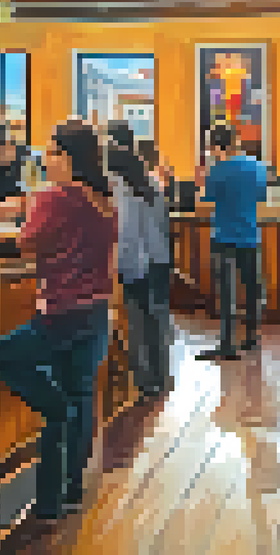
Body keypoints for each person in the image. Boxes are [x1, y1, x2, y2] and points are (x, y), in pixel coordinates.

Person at [0, 118, 117, 525]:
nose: (45, 158)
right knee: (81, 394)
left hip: (60, 311)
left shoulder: (55, 198)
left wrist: (28, 210)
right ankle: (66, 494)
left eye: (52, 151)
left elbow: (26, 244)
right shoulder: (104, 197)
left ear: (68, 158)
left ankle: (51, 496)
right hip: (95, 312)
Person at [106, 122, 173, 401]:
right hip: (159, 256)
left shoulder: (117, 186)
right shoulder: (150, 180)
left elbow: (125, 229)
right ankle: (162, 376)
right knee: (157, 317)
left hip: (136, 259)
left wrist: (118, 263)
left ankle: (144, 381)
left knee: (136, 320)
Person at [199, 125, 268, 360]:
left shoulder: (217, 171)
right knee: (252, 290)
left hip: (224, 237)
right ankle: (252, 338)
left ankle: (227, 344)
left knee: (227, 293)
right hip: (250, 235)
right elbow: (261, 195)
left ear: (218, 147)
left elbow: (206, 198)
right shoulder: (258, 166)